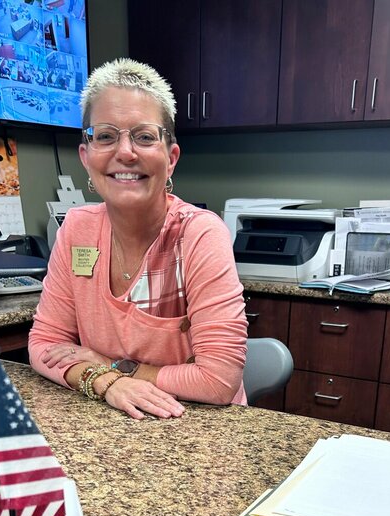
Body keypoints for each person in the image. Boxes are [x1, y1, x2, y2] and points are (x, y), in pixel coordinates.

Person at [28, 58, 248, 420]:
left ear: (170, 157)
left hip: (199, 428)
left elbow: (218, 381)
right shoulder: (76, 229)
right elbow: (43, 345)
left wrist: (116, 366)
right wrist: (106, 381)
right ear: (86, 155)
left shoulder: (199, 235)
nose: (125, 152)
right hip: (110, 423)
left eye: (144, 137)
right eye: (105, 136)